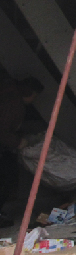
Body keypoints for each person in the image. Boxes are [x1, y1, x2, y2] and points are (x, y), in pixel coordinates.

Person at [0, 77, 44, 227]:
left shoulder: (8, 93)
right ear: (29, 93)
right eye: (34, 96)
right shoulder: (14, 105)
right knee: (7, 178)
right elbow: (2, 131)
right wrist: (18, 142)